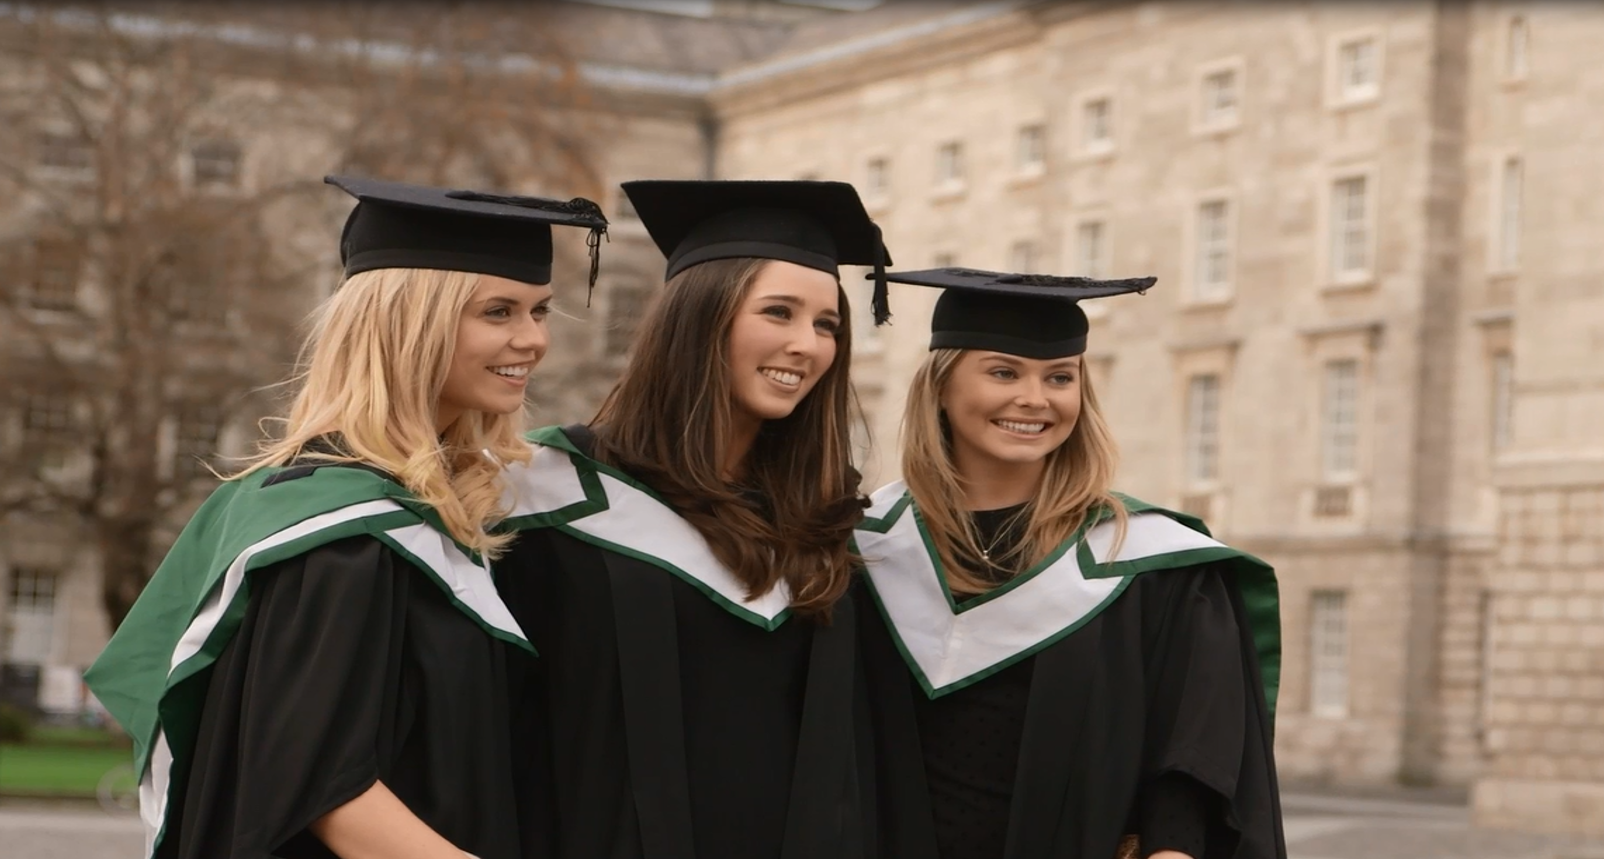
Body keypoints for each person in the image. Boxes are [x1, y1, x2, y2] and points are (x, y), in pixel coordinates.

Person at [83, 175, 608, 859]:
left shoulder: (426, 511)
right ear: (407, 325)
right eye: (499, 312)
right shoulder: (338, 533)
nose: (533, 339)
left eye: (539, 310)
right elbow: (325, 788)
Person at [494, 179, 890, 859]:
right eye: (779, 312)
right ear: (702, 316)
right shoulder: (551, 497)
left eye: (827, 325)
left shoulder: (822, 520)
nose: (808, 344)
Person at [853, 267, 1286, 859]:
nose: (1035, 399)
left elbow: (1194, 752)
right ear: (941, 387)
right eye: (1004, 371)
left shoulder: (1146, 563)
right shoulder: (863, 547)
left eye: (1060, 377)